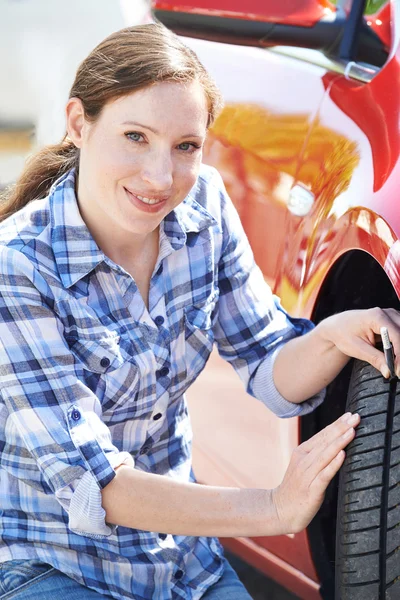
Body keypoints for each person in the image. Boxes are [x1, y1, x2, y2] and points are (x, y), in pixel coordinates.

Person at [0, 21, 398, 600]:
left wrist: (333, 337)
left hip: (182, 564)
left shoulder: (205, 206)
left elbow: (269, 365)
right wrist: (273, 507)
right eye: (135, 136)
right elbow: (96, 486)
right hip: (57, 568)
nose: (161, 177)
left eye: (185, 146)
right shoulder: (17, 268)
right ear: (78, 124)